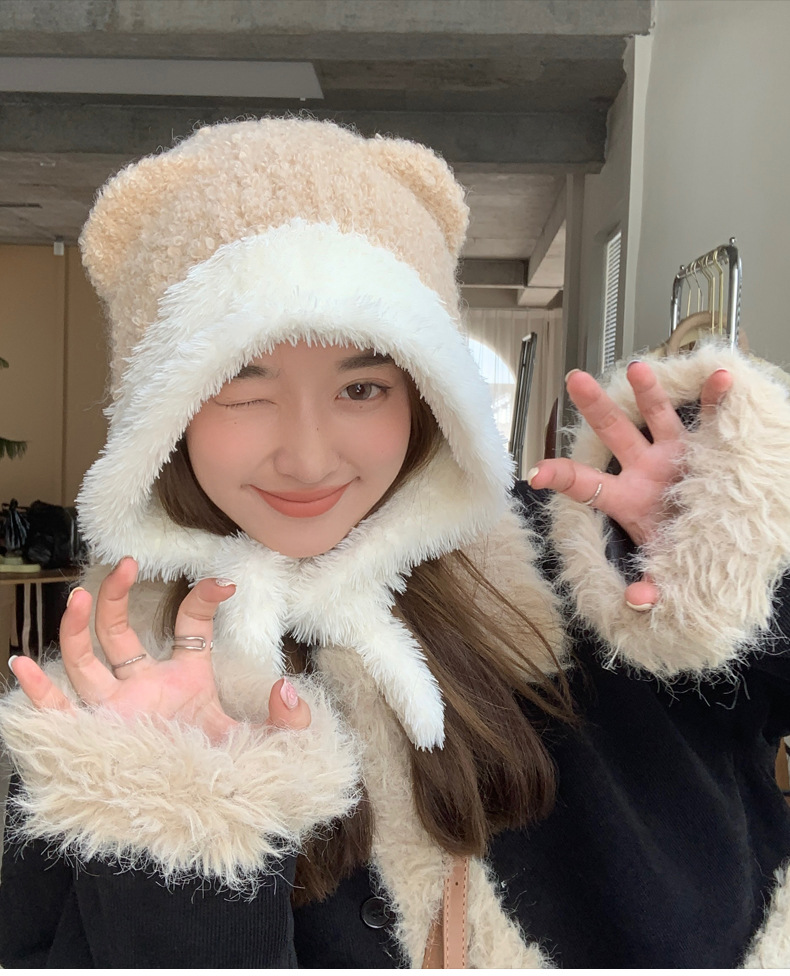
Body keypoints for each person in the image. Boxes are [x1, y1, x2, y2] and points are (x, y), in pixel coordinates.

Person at [1, 118, 789, 969]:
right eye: (242, 388)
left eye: (362, 388)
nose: (308, 458)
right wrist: (183, 814)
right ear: (164, 408)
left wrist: (729, 552)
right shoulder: (113, 696)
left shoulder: (575, 563)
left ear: (424, 395)